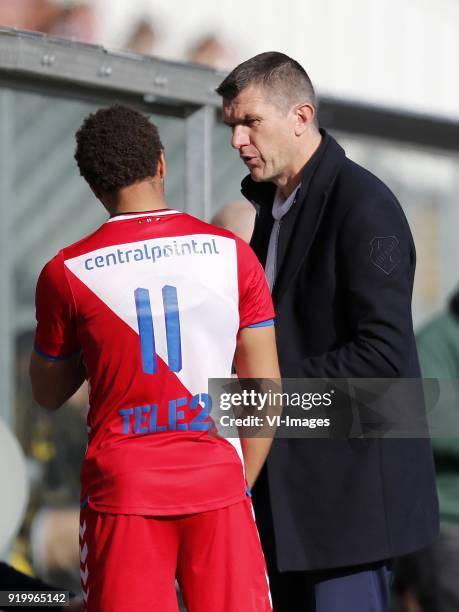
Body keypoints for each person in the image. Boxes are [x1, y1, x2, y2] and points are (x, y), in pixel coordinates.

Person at [29, 104, 279, 611]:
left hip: (123, 491)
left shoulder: (67, 272)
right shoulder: (233, 253)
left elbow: (48, 392)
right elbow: (265, 396)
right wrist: (238, 484)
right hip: (217, 481)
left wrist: (92, 335)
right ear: (162, 163)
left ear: (93, 186)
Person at [216, 51, 439, 612]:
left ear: (300, 116)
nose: (239, 139)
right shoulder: (273, 208)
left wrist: (263, 389)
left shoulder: (363, 206)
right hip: (291, 502)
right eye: (232, 126)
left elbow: (383, 360)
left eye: (250, 122)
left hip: (349, 510)